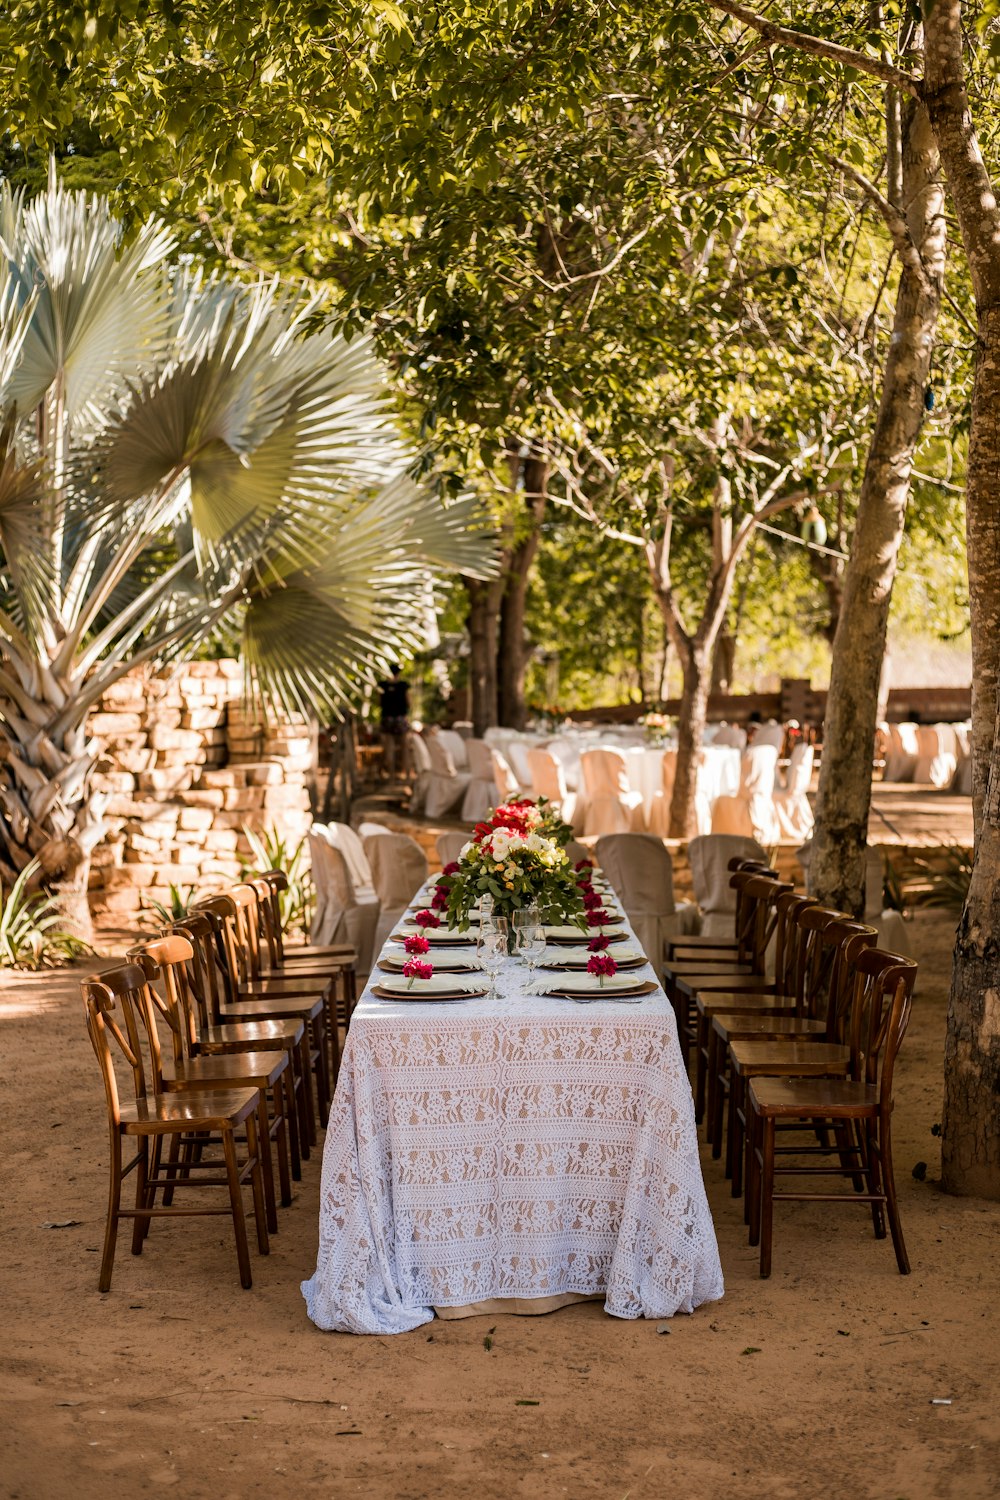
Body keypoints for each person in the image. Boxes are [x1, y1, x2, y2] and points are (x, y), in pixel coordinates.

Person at [378, 664, 410, 780]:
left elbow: (380, 702)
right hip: (401, 718)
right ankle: (407, 776)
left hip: (387, 718)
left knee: (389, 748)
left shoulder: (383, 686)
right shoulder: (403, 686)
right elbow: (408, 702)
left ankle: (391, 776)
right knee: (404, 748)